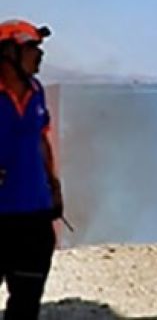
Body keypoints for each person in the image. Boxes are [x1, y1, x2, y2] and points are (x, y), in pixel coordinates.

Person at [0, 20, 61, 320]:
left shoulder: (36, 91)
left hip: (34, 215)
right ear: (7, 53)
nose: (40, 54)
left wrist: (54, 186)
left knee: (26, 303)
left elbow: (41, 140)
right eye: (31, 47)